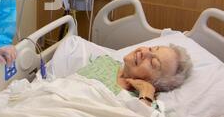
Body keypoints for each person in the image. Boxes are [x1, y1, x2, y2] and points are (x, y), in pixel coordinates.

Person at [49, 36, 193, 106]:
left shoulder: (146, 102)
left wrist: (147, 95)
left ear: (155, 83)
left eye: (153, 63)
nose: (144, 53)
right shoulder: (105, 61)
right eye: (151, 48)